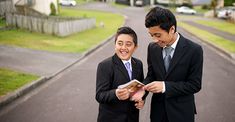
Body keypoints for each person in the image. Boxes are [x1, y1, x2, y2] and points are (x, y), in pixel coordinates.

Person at [132, 7, 203, 122]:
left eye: (158, 35)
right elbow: (151, 76)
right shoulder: (152, 48)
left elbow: (194, 85)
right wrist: (141, 93)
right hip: (157, 113)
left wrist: (165, 86)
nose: (155, 40)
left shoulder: (194, 50)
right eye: (151, 35)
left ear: (172, 29)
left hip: (182, 113)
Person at [96, 26, 145, 122]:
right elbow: (99, 95)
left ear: (135, 47)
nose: (123, 48)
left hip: (132, 118)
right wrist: (115, 94)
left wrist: (141, 100)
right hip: (111, 119)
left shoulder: (138, 64)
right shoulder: (105, 65)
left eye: (128, 44)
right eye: (120, 43)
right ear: (115, 45)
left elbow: (140, 88)